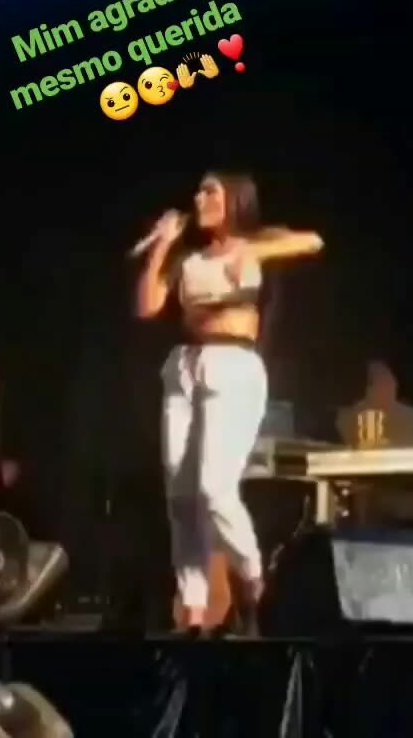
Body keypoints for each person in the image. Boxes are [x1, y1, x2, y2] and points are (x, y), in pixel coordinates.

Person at [136, 172, 323, 637]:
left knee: (214, 488)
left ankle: (255, 579)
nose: (199, 197)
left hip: (232, 364)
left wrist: (250, 251)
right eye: (198, 190)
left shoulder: (255, 245)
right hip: (185, 367)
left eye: (210, 191)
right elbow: (147, 306)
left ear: (234, 199)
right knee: (181, 496)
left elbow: (312, 241)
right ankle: (193, 609)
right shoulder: (189, 259)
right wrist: (162, 244)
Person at [336, 360, 413, 449]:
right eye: (380, 383)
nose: (387, 388)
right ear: (367, 389)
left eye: (389, 382)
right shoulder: (349, 417)